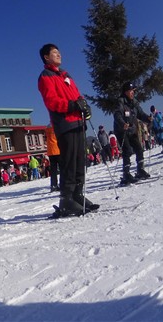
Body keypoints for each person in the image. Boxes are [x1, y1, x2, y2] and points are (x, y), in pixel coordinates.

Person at [37, 44, 98, 216]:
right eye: (54, 53)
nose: (59, 54)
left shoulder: (65, 75)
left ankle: (77, 194)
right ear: (46, 57)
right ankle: (66, 199)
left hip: (78, 122)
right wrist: (72, 105)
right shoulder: (46, 76)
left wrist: (84, 106)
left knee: (80, 161)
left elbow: (78, 95)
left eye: (59, 52)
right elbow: (52, 101)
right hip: (65, 123)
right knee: (69, 162)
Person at [113, 82, 153, 185]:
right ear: (126, 92)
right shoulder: (120, 101)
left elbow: (140, 113)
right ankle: (126, 174)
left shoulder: (134, 102)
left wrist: (147, 118)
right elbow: (117, 115)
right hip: (122, 130)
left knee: (139, 148)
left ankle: (140, 170)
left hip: (132, 129)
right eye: (131, 91)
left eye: (133, 91)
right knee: (127, 150)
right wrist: (122, 124)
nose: (132, 93)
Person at [45, 124, 61, 192]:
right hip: (58, 150)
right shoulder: (57, 127)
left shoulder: (47, 129)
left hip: (50, 151)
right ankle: (62, 184)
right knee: (62, 169)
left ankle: (53, 185)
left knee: (53, 170)